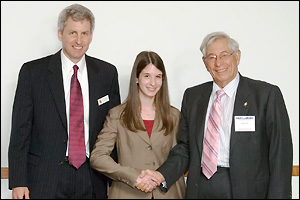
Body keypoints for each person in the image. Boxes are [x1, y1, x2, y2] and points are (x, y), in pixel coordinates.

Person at [137, 31, 293, 199]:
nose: (218, 63)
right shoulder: (193, 96)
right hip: (201, 187)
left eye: (224, 55)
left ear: (237, 56)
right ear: (205, 62)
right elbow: (185, 148)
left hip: (248, 190)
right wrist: (162, 174)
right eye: (211, 57)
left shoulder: (265, 95)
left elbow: (280, 155)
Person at [8, 4, 120, 199]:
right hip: (45, 178)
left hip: (92, 177)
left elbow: (113, 132)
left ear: (91, 36)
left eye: (84, 33)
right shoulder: (33, 73)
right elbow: (20, 131)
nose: (79, 40)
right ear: (60, 33)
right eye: (73, 33)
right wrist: (18, 181)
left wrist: (114, 181)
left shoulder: (107, 74)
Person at [90, 51, 186, 199]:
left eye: (158, 76)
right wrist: (132, 176)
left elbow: (182, 155)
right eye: (147, 76)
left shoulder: (174, 116)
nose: (153, 83)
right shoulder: (117, 115)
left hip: (169, 194)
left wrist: (161, 175)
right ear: (136, 78)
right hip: (127, 193)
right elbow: (98, 157)